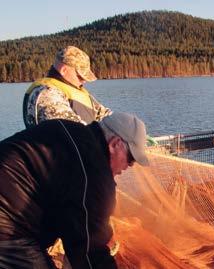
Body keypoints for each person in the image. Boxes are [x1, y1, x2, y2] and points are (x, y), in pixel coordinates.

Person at [0, 112, 149, 268]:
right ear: (114, 144)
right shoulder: (94, 173)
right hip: (8, 226)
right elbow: (90, 250)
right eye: (131, 158)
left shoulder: (64, 127)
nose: (130, 166)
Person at [23, 45, 111, 128]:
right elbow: (70, 131)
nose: (84, 81)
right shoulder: (46, 94)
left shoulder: (76, 90)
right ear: (64, 70)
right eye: (80, 76)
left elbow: (105, 116)